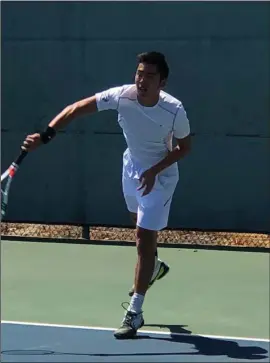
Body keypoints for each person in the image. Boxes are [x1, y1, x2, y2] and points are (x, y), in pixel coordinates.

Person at [22, 51, 191, 339]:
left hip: (160, 176)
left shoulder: (174, 110)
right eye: (139, 73)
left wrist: (155, 170)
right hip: (132, 168)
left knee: (142, 236)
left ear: (162, 82)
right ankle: (154, 265)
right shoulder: (121, 96)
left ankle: (134, 312)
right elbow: (76, 109)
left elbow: (184, 147)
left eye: (150, 75)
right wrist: (46, 134)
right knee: (136, 225)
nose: (142, 80)